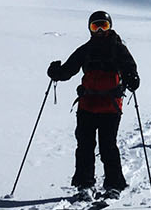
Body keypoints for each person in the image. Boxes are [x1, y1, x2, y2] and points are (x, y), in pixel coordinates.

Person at [47, 10, 139, 200]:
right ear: (89, 29)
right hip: (87, 105)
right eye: (94, 26)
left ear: (110, 27)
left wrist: (132, 79)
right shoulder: (86, 49)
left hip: (110, 107)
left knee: (108, 146)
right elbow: (69, 70)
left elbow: (130, 68)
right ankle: (84, 184)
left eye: (103, 26)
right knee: (85, 147)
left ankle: (114, 185)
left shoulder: (119, 49)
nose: (98, 30)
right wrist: (56, 72)